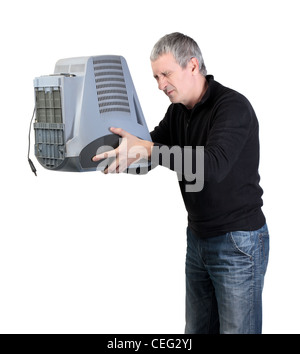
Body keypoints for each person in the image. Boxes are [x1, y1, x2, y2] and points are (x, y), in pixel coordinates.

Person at [93, 32, 269, 334]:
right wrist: (113, 154)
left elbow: (211, 165)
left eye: (166, 74)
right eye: (156, 77)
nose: (161, 85)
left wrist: (148, 150)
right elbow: (152, 155)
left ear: (192, 65)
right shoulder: (178, 113)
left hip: (238, 243)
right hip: (198, 239)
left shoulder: (232, 107)